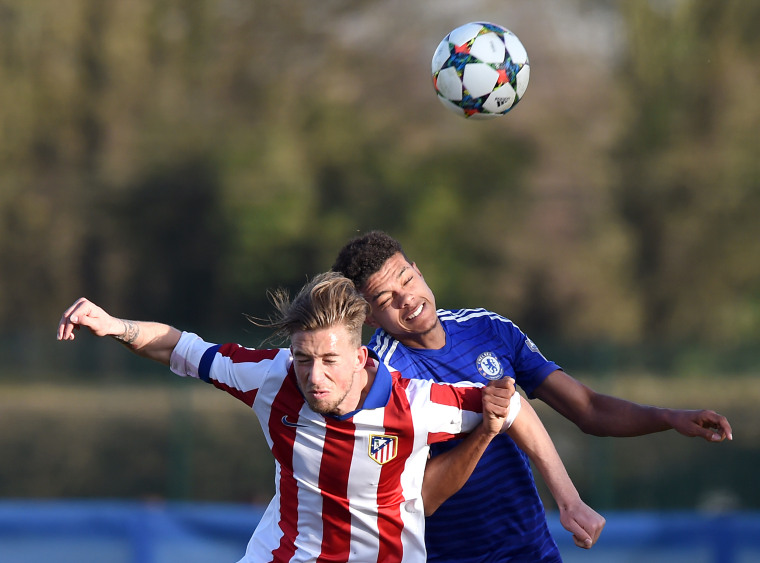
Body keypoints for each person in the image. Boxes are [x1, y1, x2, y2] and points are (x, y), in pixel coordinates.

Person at [56, 272, 590, 562]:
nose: (314, 377)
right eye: (305, 359)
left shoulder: (416, 403)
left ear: (361, 357)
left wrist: (567, 500)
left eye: (329, 361)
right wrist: (116, 325)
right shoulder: (273, 377)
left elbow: (511, 403)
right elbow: (181, 347)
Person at [332, 230, 733, 563]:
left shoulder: (488, 328)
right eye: (386, 300)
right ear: (368, 316)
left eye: (406, 278)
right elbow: (419, 499)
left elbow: (588, 409)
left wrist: (668, 418)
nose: (407, 298)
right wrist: (486, 430)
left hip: (532, 550)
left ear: (419, 271)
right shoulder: (377, 376)